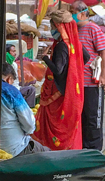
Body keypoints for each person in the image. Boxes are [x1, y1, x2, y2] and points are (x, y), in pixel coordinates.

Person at [34, 9, 84, 150]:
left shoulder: (62, 46)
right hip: (68, 90)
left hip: (58, 92)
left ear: (59, 26)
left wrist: (45, 58)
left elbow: (57, 70)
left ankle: (54, 150)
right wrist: (73, 70)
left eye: (52, 27)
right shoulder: (75, 43)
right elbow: (84, 58)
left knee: (56, 125)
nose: (51, 30)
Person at [70, 0, 105, 150]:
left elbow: (104, 52)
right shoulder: (73, 30)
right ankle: (82, 150)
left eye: (73, 11)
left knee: (93, 118)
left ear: (82, 13)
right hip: (77, 84)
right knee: (80, 118)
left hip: (92, 83)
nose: (71, 14)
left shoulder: (93, 28)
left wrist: (103, 76)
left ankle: (94, 151)